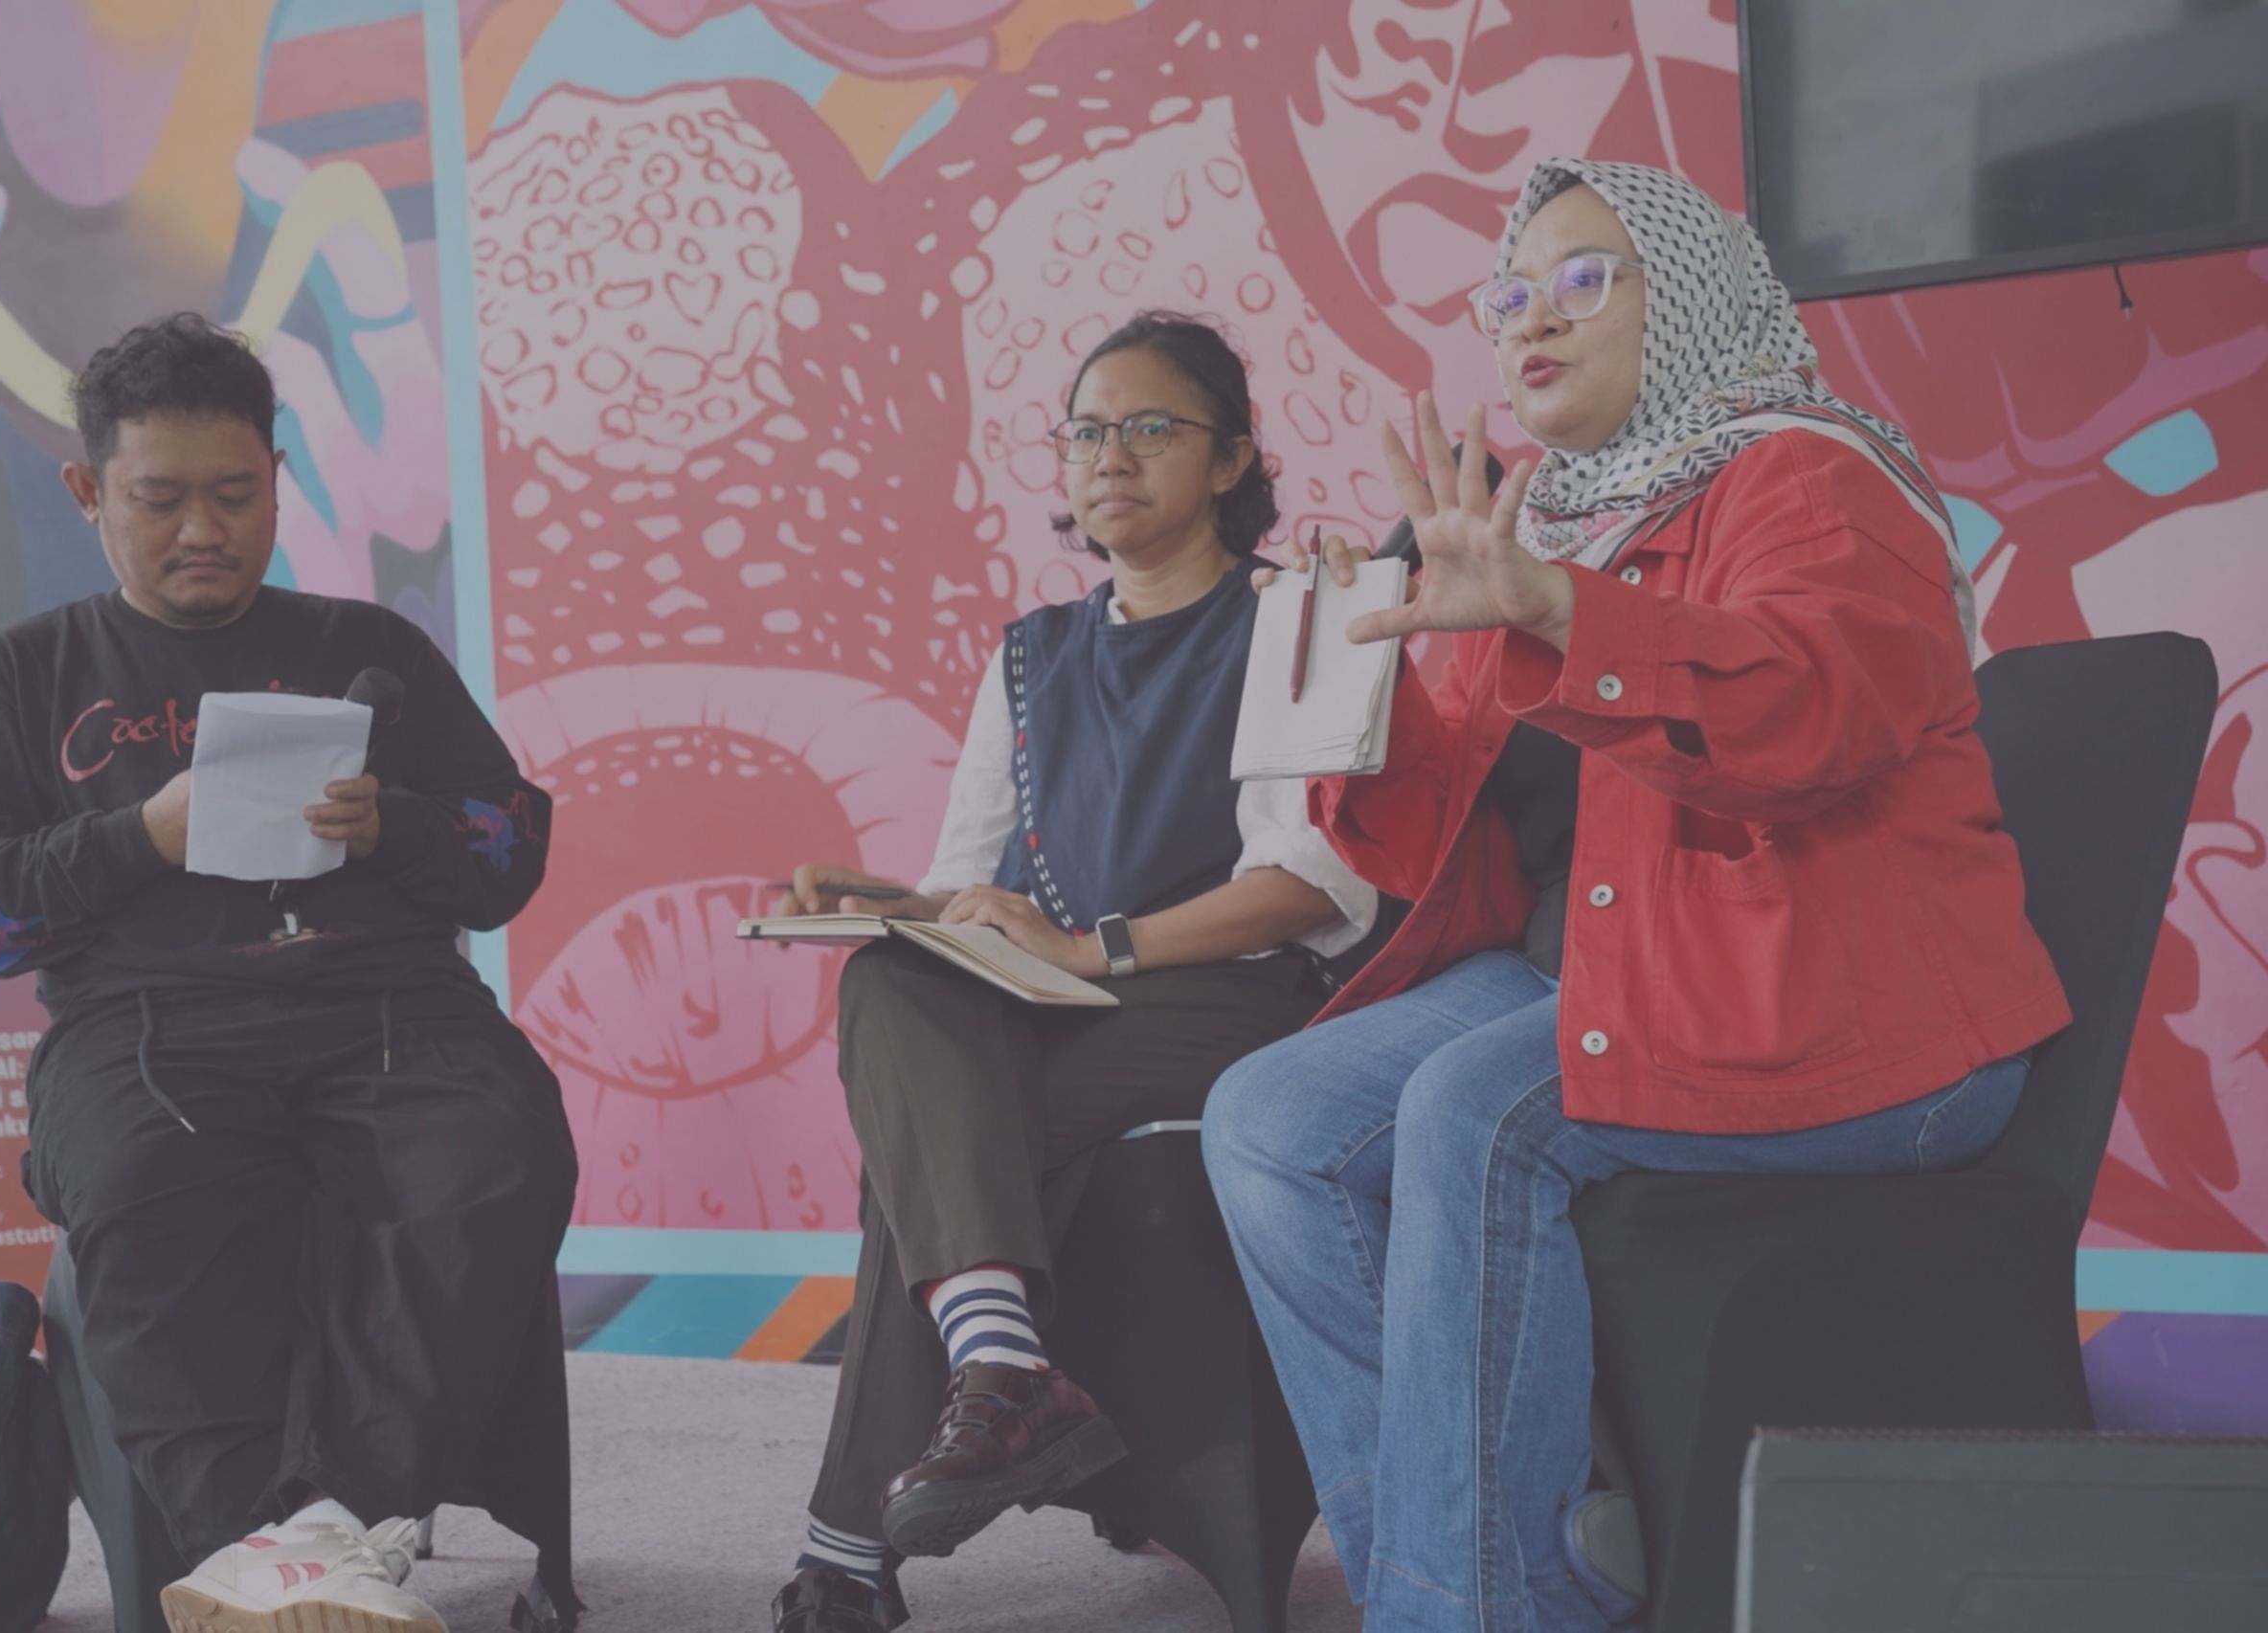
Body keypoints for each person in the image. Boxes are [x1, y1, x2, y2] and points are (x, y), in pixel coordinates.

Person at [1201, 160, 2071, 1633]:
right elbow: (1444, 843)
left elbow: (1811, 714)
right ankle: (1499, 1565)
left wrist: (1554, 610)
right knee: (1269, 1120)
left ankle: (1467, 1604)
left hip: (1865, 1014)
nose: (1532, 318)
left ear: (1695, 296)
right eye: (1511, 293)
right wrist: (1354, 684)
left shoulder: (1813, 474)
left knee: (1472, 1113)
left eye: (1584, 279)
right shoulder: (1547, 523)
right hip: (1600, 971)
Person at [0, 315, 574, 1633]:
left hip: (390, 1006)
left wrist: (394, 827)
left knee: (496, 1152)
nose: (202, 529)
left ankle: (307, 1539)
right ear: (89, 491)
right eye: (160, 499)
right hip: (143, 1026)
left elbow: (506, 857)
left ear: (277, 477)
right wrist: (136, 837)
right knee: (142, 1188)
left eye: (235, 494)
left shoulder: (365, 643)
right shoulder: (22, 675)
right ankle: (278, 1544)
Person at [767, 311, 1379, 1633]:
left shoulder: (1295, 619)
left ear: (1231, 459)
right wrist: (884, 903)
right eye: (1088, 431)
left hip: (1235, 1000)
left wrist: (1094, 947)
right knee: (888, 980)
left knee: (932, 1151)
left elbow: (1319, 883)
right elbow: (968, 884)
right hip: (1062, 997)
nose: (1111, 455)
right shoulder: (1030, 653)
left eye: (1151, 427)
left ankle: (855, 1545)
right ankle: (1003, 1366)